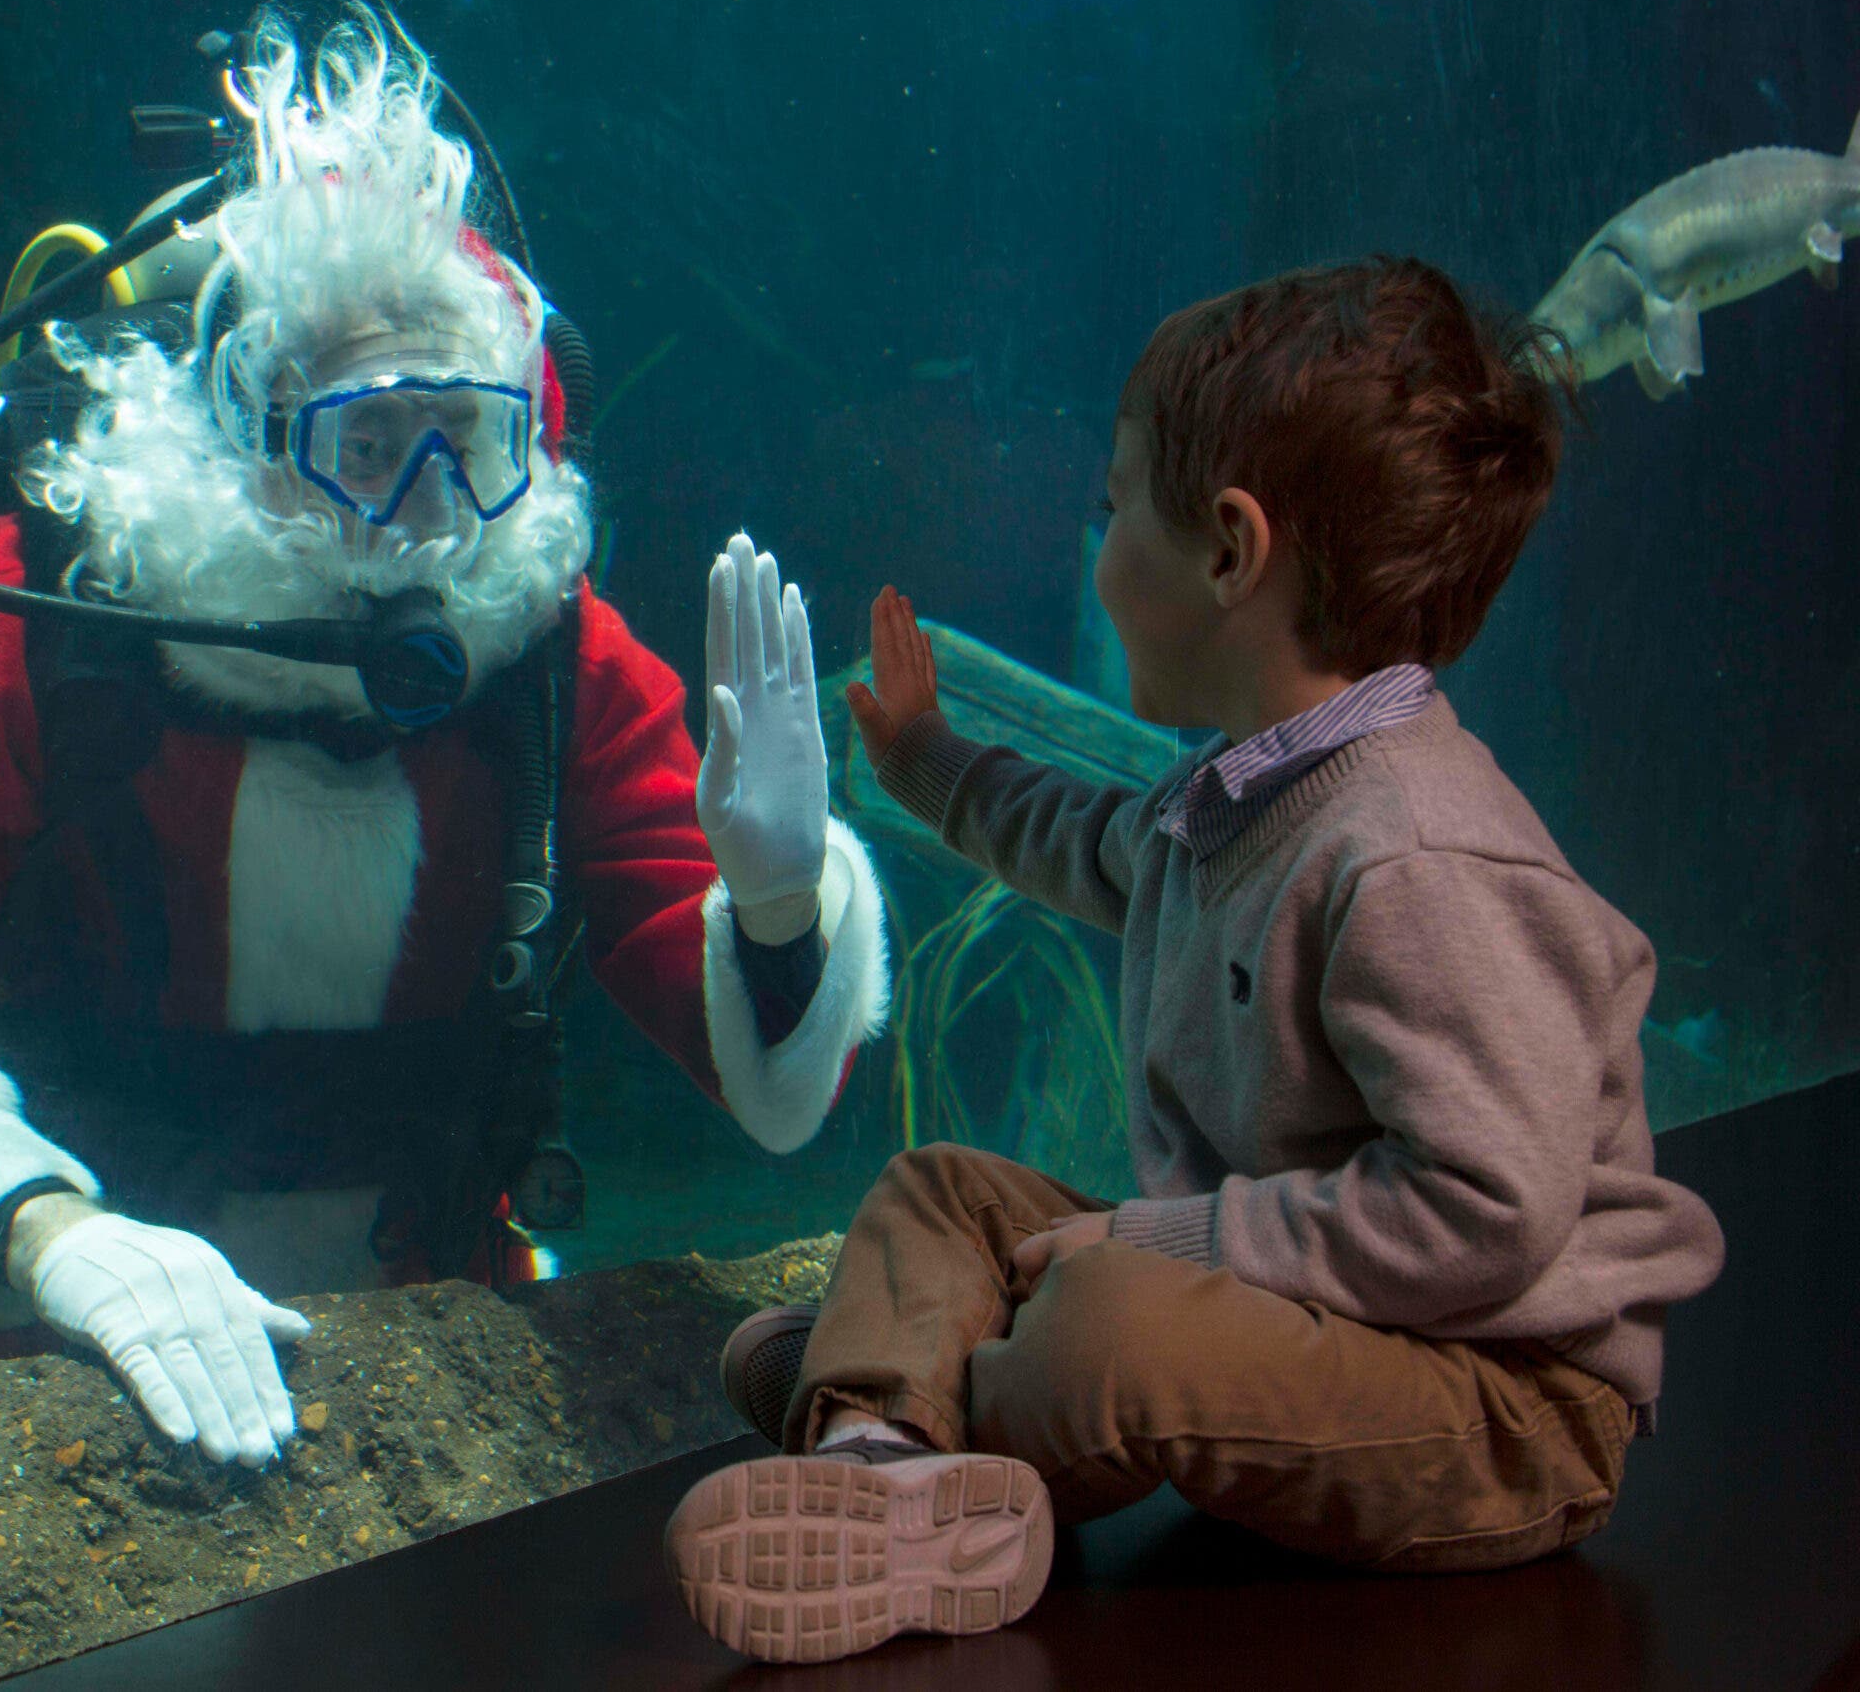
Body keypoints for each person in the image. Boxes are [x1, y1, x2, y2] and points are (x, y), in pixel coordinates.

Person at [0, 7, 889, 1565]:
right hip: (33, 1284)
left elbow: (731, 1011)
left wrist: (782, 906)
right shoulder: (24, 618)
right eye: (367, 441)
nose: (428, 516)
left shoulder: (540, 644)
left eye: (469, 440)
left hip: (419, 1293)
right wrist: (41, 1236)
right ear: (238, 428)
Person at [665, 256, 1727, 1664]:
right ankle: (880, 1443)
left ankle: (913, 1400)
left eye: (1114, 509)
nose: (1093, 546)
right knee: (945, 1190)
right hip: (1309, 1306)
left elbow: (1484, 1216)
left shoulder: (1417, 857)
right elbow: (1093, 842)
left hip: (1499, 1399)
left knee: (1113, 1321)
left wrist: (1171, 1236)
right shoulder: (1238, 800)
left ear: (1230, 551)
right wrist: (927, 768)